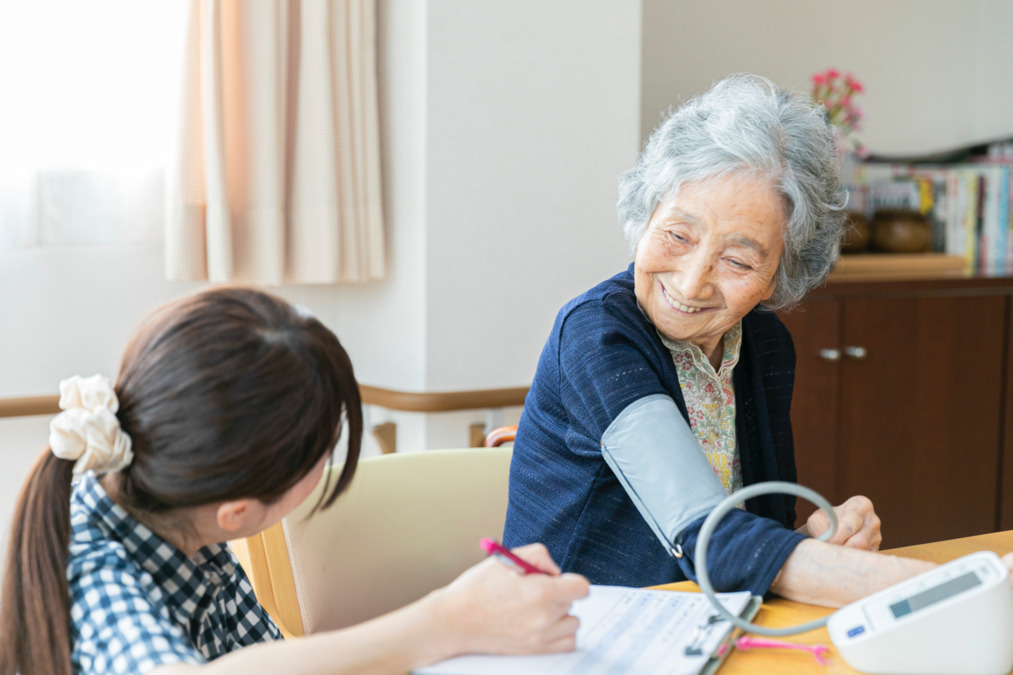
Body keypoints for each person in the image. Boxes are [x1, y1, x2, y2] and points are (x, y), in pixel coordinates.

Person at [502, 73, 949, 606]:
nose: (691, 284)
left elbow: (749, 541)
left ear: (781, 273)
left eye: (737, 260)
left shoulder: (764, 344)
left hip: (701, 623)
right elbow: (705, 535)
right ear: (645, 215)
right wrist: (946, 587)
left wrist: (813, 546)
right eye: (677, 235)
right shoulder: (597, 337)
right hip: (571, 629)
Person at [0, 287, 589, 675]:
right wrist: (443, 623)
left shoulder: (183, 517)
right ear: (238, 511)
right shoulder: (92, 568)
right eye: (322, 455)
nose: (328, 466)